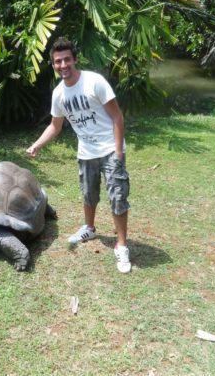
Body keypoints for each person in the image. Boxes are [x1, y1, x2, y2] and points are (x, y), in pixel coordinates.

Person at [26, 37, 132, 273]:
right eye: (57, 62)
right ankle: (90, 228)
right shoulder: (59, 94)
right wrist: (37, 145)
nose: (62, 65)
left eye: (66, 60)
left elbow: (117, 117)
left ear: (75, 59)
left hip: (109, 149)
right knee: (88, 195)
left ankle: (122, 245)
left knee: (117, 197)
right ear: (53, 65)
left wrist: (118, 152)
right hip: (86, 153)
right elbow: (55, 126)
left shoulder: (94, 82)